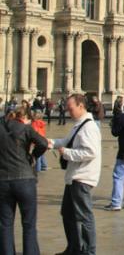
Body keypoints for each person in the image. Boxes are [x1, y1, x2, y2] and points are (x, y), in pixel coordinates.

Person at [51, 93, 103, 255]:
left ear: (81, 106)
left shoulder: (89, 127)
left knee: (84, 216)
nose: (68, 111)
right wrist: (49, 142)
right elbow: (65, 142)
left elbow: (90, 152)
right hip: (74, 177)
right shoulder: (79, 124)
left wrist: (66, 153)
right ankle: (73, 247)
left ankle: (89, 251)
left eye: (70, 108)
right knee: (67, 213)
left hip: (82, 177)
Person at [0, 106, 48, 255]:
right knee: (28, 224)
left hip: (3, 180)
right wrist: (33, 156)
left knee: (5, 224)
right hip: (25, 179)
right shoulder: (25, 128)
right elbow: (44, 143)